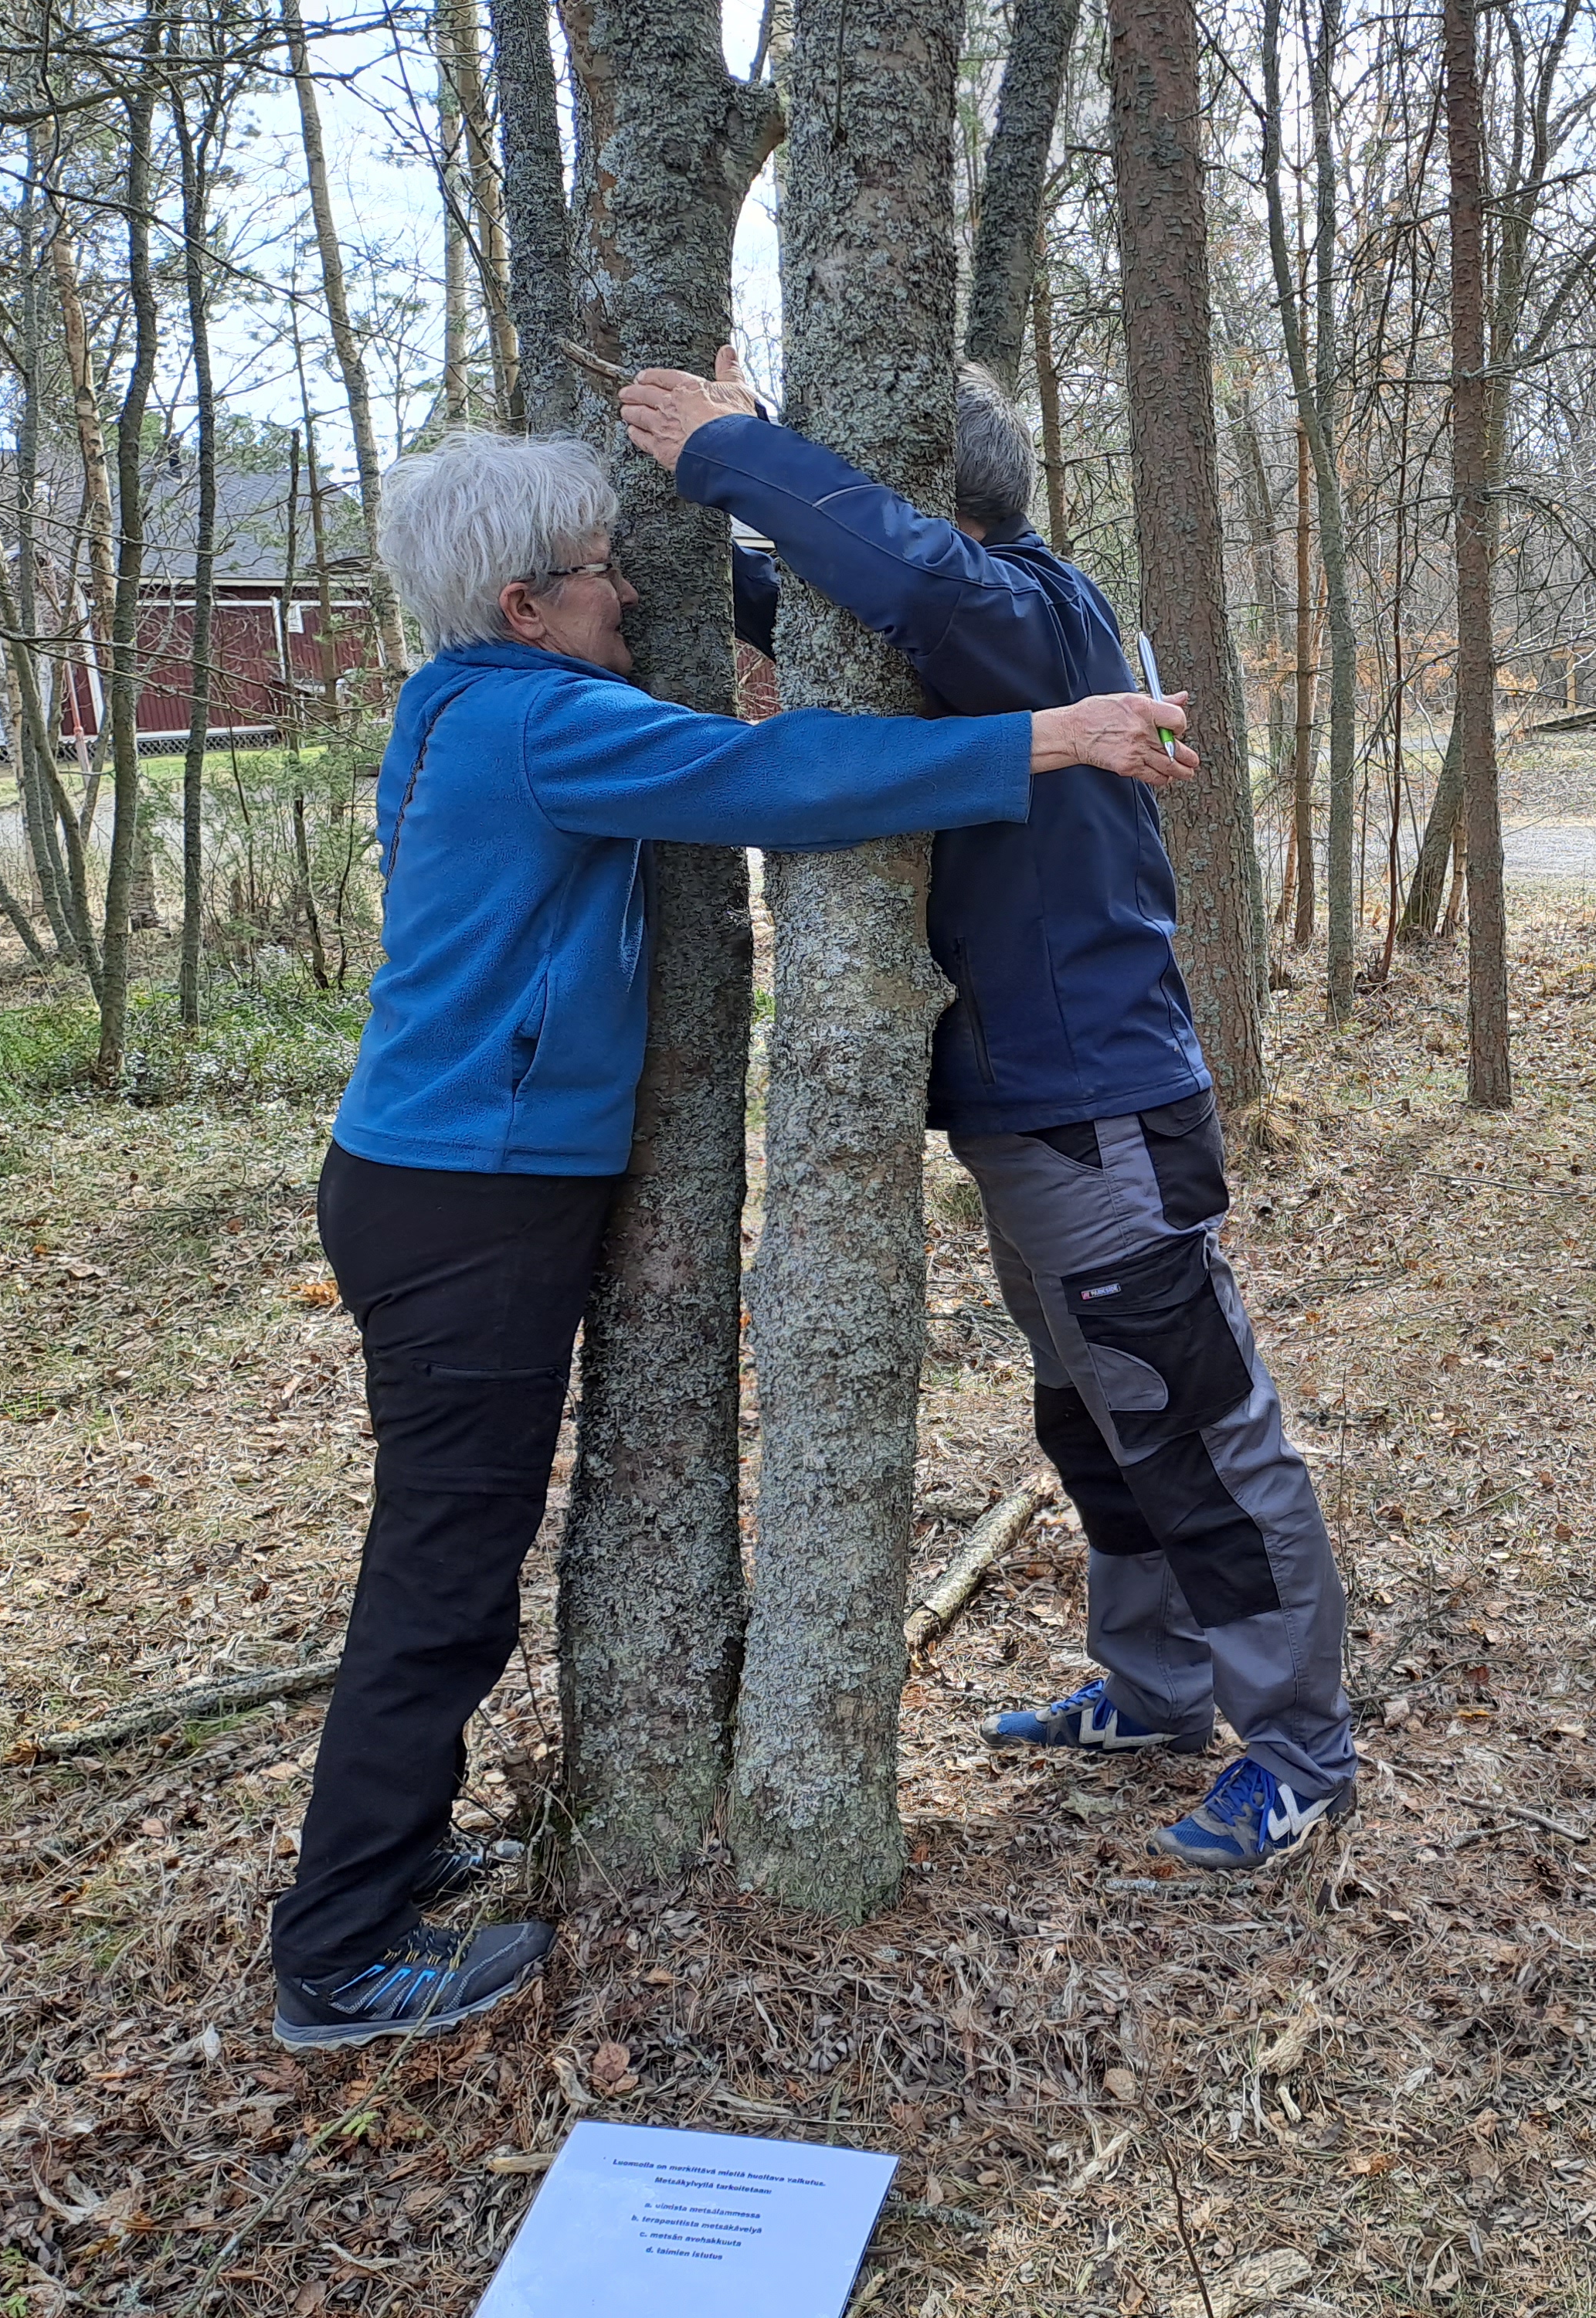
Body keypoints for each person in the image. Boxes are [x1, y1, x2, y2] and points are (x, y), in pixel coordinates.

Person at [272, 431, 1191, 2050]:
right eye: (600, 576)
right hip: (464, 1198)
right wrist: (1050, 734)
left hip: (442, 1180)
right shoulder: (536, 722)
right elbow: (774, 782)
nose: (630, 594)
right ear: (520, 602)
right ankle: (339, 1948)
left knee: (449, 1563)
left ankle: (395, 1858)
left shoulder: (461, 704)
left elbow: (705, 765)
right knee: (442, 1575)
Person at [619, 353, 1360, 1872]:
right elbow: (851, 612)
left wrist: (736, 453)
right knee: (1095, 1417)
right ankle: (1156, 1692)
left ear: (924, 507)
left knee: (1191, 1421)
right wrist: (724, 557)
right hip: (1039, 1115)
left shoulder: (1021, 612)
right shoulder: (991, 630)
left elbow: (907, 583)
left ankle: (1298, 1749)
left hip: (1097, 1113)